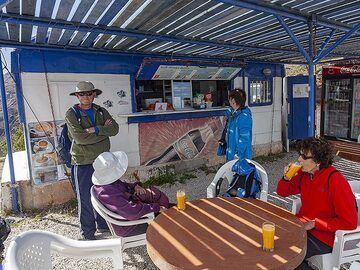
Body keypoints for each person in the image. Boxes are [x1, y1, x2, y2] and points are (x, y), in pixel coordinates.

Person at [276, 137, 358, 270]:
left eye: (304, 156)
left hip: (324, 237)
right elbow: (282, 192)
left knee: (284, 256)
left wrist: (315, 223)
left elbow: (350, 222)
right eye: (300, 154)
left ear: (318, 161)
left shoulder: (335, 180)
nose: (299, 160)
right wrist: (286, 177)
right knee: (273, 244)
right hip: (302, 227)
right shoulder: (306, 174)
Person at [66, 81, 119, 240]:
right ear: (77, 96)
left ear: (94, 94)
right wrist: (103, 133)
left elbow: (114, 129)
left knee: (104, 194)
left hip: (102, 160)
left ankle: (103, 225)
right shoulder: (72, 114)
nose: (86, 97)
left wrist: (95, 129)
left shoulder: (101, 111)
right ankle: (88, 234)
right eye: (82, 94)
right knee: (85, 198)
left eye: (89, 93)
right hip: (83, 161)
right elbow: (80, 138)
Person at [92, 151, 170, 237]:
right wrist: (156, 208)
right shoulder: (107, 193)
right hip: (129, 227)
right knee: (166, 214)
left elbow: (124, 186)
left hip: (127, 217)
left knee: (154, 194)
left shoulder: (107, 183)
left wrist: (136, 186)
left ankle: (166, 214)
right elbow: (131, 212)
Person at [224, 89, 252, 161]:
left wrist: (238, 154)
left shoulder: (244, 116)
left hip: (240, 156)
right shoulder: (234, 114)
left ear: (233, 101)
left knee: (239, 172)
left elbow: (244, 138)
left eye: (230, 99)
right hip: (232, 152)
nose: (229, 101)